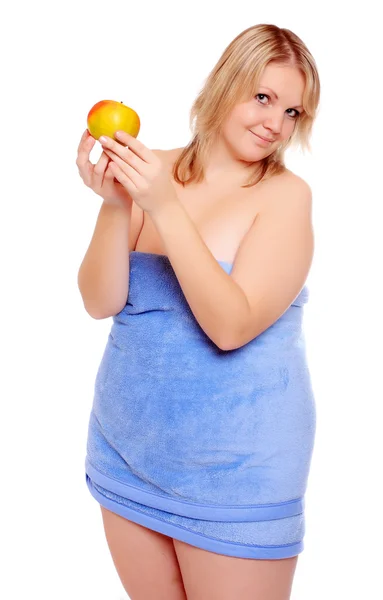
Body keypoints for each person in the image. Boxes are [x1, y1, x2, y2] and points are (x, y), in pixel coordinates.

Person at [76, 22, 320, 600]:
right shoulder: (150, 170)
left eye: (292, 112)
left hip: (239, 476)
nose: (274, 123)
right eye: (263, 97)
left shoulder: (287, 197)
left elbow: (230, 326)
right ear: (223, 83)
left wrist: (162, 205)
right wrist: (117, 206)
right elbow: (99, 300)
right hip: (128, 455)